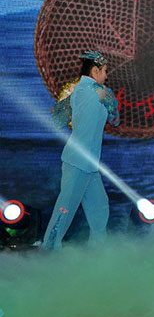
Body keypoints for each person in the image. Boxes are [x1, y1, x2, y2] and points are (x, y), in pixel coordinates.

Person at [43, 51, 120, 250]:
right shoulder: (92, 90)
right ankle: (49, 249)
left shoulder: (81, 90)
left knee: (99, 206)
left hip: (89, 163)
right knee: (65, 208)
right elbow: (115, 118)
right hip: (77, 161)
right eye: (104, 71)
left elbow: (58, 118)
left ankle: (98, 250)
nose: (106, 76)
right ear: (95, 71)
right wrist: (107, 98)